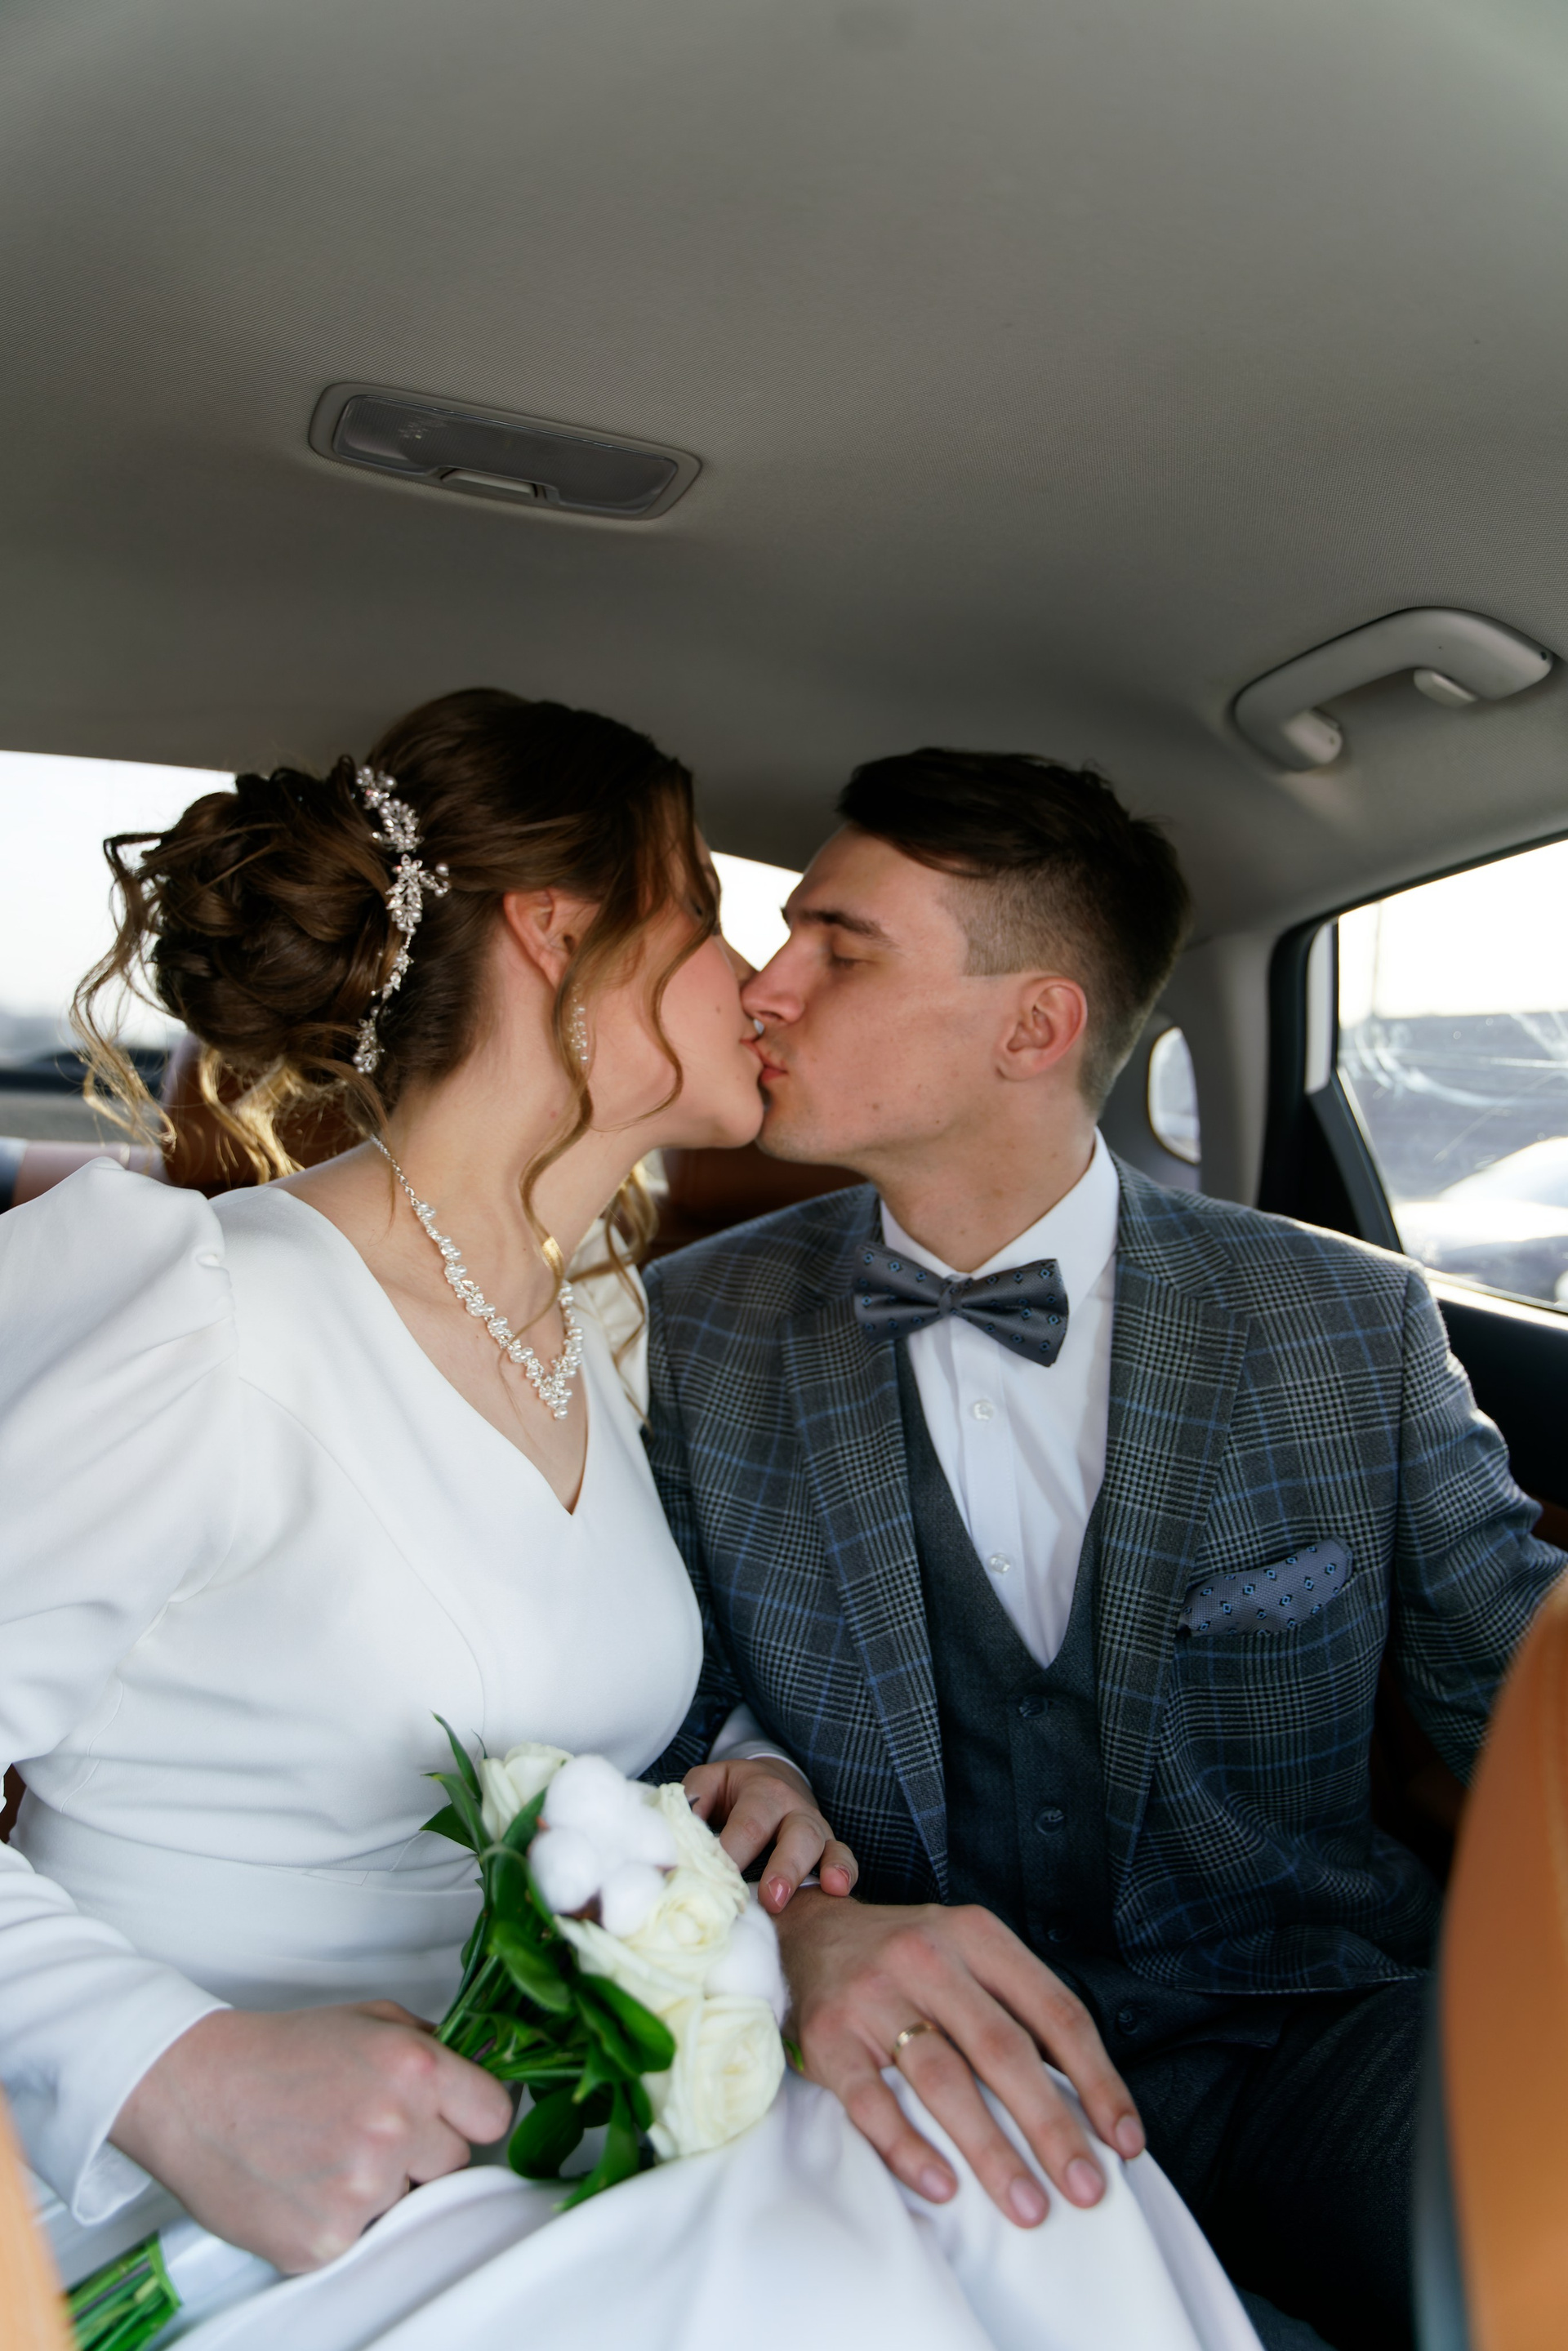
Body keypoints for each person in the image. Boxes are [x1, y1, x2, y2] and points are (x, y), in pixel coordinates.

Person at [0, 692, 1258, 2351]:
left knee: (1013, 2167)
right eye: (713, 919)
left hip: (546, 2099)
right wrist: (173, 2071)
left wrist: (742, 1782)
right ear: (555, 935)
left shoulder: (590, 1327)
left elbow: (536, 1692)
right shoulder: (200, 1313)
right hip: (223, 2188)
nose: (762, 985)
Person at [642, 746, 1567, 2351]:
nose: (763, 988)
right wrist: (789, 1924)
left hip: (1313, 2032)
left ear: (1034, 1027)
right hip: (916, 2068)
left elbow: (1525, 1691)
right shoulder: (690, 1330)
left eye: (839, 948)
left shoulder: (1346, 1321)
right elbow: (642, 1719)